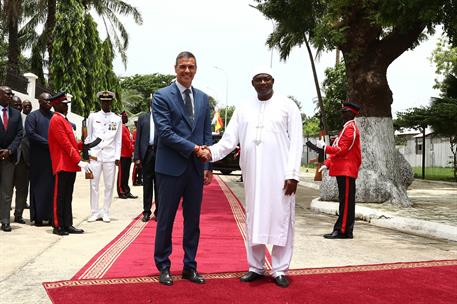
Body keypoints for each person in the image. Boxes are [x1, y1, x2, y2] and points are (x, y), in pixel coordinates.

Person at [204, 67, 303, 288]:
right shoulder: (243, 108)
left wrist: (293, 174)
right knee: (254, 218)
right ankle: (255, 267)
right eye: (258, 79)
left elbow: (297, 142)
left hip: (281, 174)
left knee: (282, 218)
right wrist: (210, 152)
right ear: (253, 83)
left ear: (273, 81)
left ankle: (279, 269)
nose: (263, 82)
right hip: (253, 173)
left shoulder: (288, 106)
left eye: (266, 79)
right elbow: (229, 140)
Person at [152, 51, 213, 286]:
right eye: (183, 67)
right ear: (175, 68)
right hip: (169, 168)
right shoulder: (161, 96)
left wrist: (207, 164)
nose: (187, 71)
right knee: (165, 219)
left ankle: (190, 266)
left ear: (196, 69)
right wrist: (195, 149)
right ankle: (164, 266)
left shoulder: (203, 98)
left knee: (193, 221)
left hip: (196, 170)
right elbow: (165, 133)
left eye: (191, 67)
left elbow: (206, 133)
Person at [316, 101, 362, 239]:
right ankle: (345, 230)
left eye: (344, 112)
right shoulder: (345, 129)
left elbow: (342, 150)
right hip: (342, 169)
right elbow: (337, 151)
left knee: (347, 201)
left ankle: (342, 230)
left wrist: (325, 147)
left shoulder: (350, 129)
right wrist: (328, 163)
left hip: (346, 170)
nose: (342, 115)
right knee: (344, 201)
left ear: (350, 113)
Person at [48, 92, 89, 235]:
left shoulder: (64, 120)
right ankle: (58, 225)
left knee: (67, 196)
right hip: (62, 164)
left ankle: (67, 223)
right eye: (64, 104)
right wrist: (80, 161)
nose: (66, 106)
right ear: (57, 105)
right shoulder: (56, 120)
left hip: (69, 164)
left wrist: (83, 144)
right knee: (60, 196)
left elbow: (71, 142)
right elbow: (65, 144)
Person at [85, 91, 122, 223]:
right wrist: (89, 154)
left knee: (109, 185)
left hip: (110, 156)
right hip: (95, 155)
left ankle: (105, 211)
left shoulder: (117, 119)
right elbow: (89, 136)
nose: (106, 103)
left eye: (108, 101)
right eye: (103, 101)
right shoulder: (93, 117)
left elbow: (118, 140)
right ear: (100, 102)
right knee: (93, 184)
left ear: (112, 102)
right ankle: (94, 212)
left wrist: (117, 156)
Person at [25, 92, 54, 226]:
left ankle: (49, 215)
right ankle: (37, 216)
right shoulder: (32, 116)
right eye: (47, 101)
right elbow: (31, 134)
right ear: (40, 101)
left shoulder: (53, 116)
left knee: (50, 187)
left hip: (51, 157)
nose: (49, 103)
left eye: (50, 101)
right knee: (37, 186)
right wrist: (48, 143)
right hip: (37, 157)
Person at [0, 86, 23, 232]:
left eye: (11, 93)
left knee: (6, 191)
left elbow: (19, 134)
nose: (10, 95)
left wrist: (9, 150)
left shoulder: (16, 114)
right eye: (7, 93)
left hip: (9, 157)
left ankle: (5, 220)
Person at [133, 108, 158, 222]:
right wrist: (137, 157)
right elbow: (138, 138)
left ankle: (158, 212)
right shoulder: (143, 117)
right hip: (146, 154)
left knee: (159, 185)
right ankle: (146, 212)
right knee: (147, 184)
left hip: (159, 155)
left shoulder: (163, 117)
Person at [11, 95, 30, 224]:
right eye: (15, 105)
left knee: (22, 189)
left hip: (24, 159)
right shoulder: (5, 119)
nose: (18, 108)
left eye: (19, 106)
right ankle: (4, 214)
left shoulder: (28, 120)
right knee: (6, 188)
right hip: (9, 158)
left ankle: (18, 214)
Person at [117, 111, 137, 199]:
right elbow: (126, 141)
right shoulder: (122, 127)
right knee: (122, 174)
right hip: (123, 154)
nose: (127, 118)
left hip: (127, 154)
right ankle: (121, 191)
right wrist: (133, 149)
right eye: (125, 116)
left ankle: (126, 190)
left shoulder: (125, 127)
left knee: (126, 174)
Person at [131, 120, 143, 186]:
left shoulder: (138, 131)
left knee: (140, 167)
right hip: (136, 151)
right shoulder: (136, 132)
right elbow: (134, 141)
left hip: (140, 151)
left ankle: (139, 180)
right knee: (136, 167)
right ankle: (135, 180)